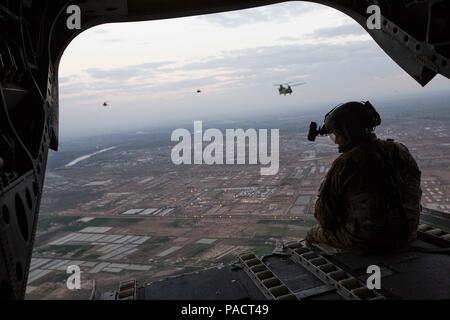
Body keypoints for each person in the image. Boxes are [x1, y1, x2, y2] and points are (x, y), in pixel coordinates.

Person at [305, 101, 422, 254]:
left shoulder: (347, 163)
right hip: (407, 233)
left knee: (312, 234)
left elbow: (325, 218)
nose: (337, 141)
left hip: (368, 241)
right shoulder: (399, 149)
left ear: (346, 132)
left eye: (336, 135)